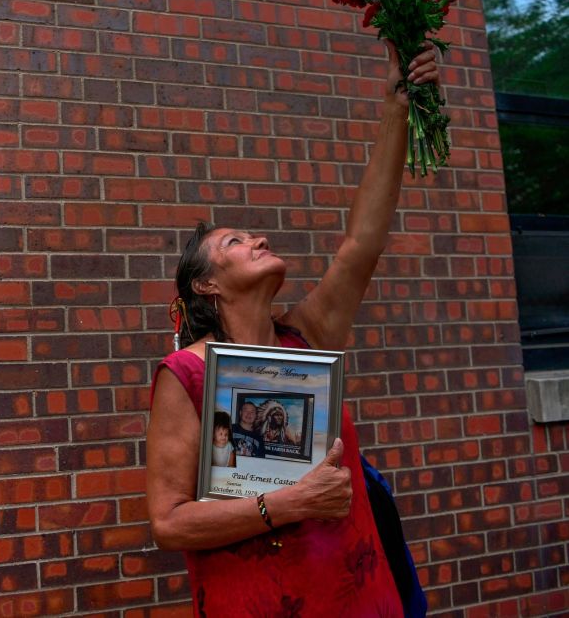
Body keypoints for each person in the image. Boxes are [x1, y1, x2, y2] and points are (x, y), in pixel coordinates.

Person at [146, 42, 439, 615]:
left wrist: (397, 106)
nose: (256, 238)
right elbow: (168, 522)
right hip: (262, 603)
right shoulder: (186, 375)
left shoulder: (309, 337)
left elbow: (362, 244)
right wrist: (290, 502)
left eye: (254, 235)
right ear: (205, 285)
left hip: (361, 595)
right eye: (235, 241)